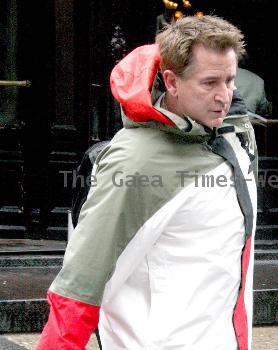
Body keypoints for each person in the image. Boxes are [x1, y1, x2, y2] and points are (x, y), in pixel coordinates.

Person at [36, 15, 257, 350]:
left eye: (229, 80)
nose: (223, 96)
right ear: (171, 82)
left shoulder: (232, 134)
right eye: (209, 83)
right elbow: (81, 283)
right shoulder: (135, 163)